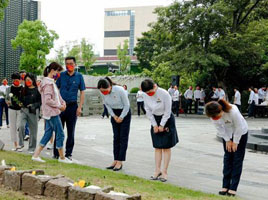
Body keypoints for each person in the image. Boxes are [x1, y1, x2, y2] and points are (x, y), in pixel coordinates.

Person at [205, 99, 248, 197]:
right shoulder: (212, 114)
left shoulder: (233, 111)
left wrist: (236, 142)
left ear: (221, 110)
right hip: (227, 135)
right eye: (213, 117)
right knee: (228, 158)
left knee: (237, 159)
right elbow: (219, 128)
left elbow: (239, 127)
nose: (215, 118)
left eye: (216, 116)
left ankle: (233, 188)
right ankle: (225, 185)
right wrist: (228, 140)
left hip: (240, 133)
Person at [32, 62, 71, 163]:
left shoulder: (49, 82)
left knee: (48, 134)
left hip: (50, 112)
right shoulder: (48, 83)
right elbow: (48, 100)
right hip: (52, 113)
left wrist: (63, 103)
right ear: (53, 70)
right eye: (58, 71)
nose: (59, 73)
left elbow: (57, 96)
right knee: (60, 134)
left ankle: (36, 155)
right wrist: (59, 106)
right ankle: (62, 157)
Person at [141, 79, 179, 182]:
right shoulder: (145, 95)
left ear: (154, 86)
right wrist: (154, 125)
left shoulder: (164, 94)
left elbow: (167, 111)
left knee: (166, 147)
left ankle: (165, 172)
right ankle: (157, 170)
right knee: (157, 147)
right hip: (155, 119)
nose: (149, 94)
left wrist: (162, 125)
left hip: (166, 119)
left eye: (150, 92)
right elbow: (147, 111)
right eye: (147, 93)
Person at [53, 56, 86, 160]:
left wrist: (80, 107)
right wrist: (56, 104)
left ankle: (68, 154)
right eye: (67, 64)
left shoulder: (79, 76)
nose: (69, 66)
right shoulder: (61, 75)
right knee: (59, 130)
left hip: (72, 107)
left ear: (75, 64)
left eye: (71, 64)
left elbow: (82, 92)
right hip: (61, 107)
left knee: (71, 131)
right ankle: (57, 153)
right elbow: (55, 89)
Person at [98, 77, 131, 171]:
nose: (104, 93)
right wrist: (113, 115)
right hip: (114, 113)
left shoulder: (120, 90)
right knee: (116, 137)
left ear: (110, 86)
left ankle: (120, 161)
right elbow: (106, 105)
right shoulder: (102, 92)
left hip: (124, 112)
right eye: (102, 91)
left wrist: (121, 117)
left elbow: (127, 105)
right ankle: (115, 159)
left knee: (123, 137)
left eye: (105, 90)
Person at [18, 73, 41, 153]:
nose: (27, 81)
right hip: (23, 110)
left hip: (33, 112)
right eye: (26, 80)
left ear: (32, 80)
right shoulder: (23, 89)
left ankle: (32, 148)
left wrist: (34, 105)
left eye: (29, 80)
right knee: (20, 126)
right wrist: (20, 103)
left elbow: (40, 102)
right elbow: (20, 100)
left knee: (33, 131)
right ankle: (20, 144)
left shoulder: (37, 90)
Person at [5, 73, 23, 151]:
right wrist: (8, 101)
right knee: (13, 126)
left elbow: (25, 98)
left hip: (20, 110)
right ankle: (15, 144)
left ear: (20, 80)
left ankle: (20, 143)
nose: (16, 81)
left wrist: (22, 103)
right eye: (14, 80)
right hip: (12, 109)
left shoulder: (23, 88)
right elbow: (6, 98)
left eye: (17, 80)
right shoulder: (9, 88)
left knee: (20, 126)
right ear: (12, 80)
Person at [19, 70, 30, 141]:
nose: (23, 76)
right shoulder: (18, 83)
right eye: (22, 75)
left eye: (24, 75)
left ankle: (27, 133)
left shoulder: (28, 83)